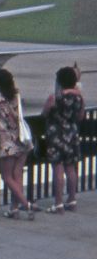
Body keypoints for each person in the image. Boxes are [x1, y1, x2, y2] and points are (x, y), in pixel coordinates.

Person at [0, 69, 37, 219]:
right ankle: (14, 208)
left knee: (6, 177)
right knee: (17, 174)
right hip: (23, 140)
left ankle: (26, 205)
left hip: (8, 143)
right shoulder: (17, 96)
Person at [42, 66, 85, 214]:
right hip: (72, 134)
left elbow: (45, 112)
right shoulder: (78, 97)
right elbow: (80, 116)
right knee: (71, 168)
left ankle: (58, 203)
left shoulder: (55, 98)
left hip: (56, 135)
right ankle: (72, 200)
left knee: (58, 168)